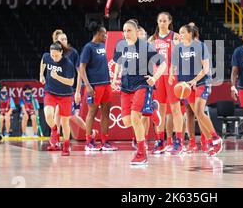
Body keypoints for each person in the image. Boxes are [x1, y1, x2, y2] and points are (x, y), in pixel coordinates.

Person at [111, 19, 167, 164]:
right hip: (125, 86)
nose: (126, 33)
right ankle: (152, 109)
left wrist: (154, 78)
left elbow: (163, 64)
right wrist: (115, 78)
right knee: (127, 122)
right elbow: (118, 63)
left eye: (129, 30)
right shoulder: (121, 46)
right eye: (124, 31)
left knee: (136, 118)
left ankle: (142, 153)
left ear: (136, 32)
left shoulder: (145, 46)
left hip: (142, 84)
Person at [169, 24, 223, 156]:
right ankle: (210, 142)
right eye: (179, 33)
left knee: (199, 111)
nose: (180, 35)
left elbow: (206, 68)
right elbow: (173, 65)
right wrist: (171, 74)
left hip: (201, 81)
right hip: (186, 85)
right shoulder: (178, 48)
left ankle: (216, 138)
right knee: (197, 115)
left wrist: (194, 80)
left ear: (190, 33)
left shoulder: (201, 46)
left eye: (182, 32)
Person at [79, 21, 118, 151]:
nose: (106, 36)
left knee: (106, 113)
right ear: (98, 33)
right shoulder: (88, 47)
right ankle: (89, 142)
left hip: (106, 84)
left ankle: (105, 141)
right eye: (104, 34)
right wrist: (88, 86)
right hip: (95, 86)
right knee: (92, 112)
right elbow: (82, 68)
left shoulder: (101, 45)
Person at [147, 12, 181, 154]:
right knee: (160, 110)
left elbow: (179, 57)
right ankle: (160, 141)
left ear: (169, 21)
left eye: (164, 21)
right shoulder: (152, 39)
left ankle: (178, 142)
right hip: (157, 77)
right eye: (160, 20)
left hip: (171, 76)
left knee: (175, 109)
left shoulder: (175, 37)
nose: (162, 23)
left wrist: (174, 72)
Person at [40, 41, 75, 156]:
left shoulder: (68, 63)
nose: (54, 58)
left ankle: (65, 145)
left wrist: (57, 77)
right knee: (48, 114)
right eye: (52, 55)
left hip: (65, 95)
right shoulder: (47, 57)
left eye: (56, 55)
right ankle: (54, 130)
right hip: (50, 92)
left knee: (65, 122)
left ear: (61, 53)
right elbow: (43, 61)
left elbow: (71, 82)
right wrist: (41, 74)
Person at [52, 29, 87, 143]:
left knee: (72, 117)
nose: (64, 41)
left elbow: (80, 73)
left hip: (69, 90)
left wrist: (77, 91)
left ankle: (90, 132)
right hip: (56, 90)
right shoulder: (54, 54)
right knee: (57, 113)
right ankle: (56, 139)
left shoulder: (73, 53)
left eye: (65, 39)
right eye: (61, 39)